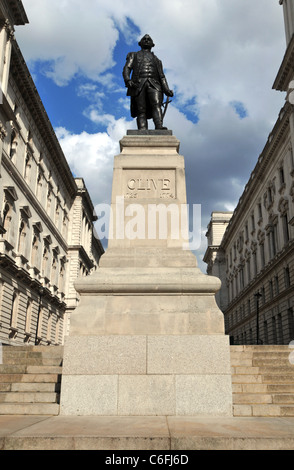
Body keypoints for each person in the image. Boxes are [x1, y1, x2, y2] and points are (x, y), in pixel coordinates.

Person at [123, 34, 174, 130]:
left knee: (156, 104)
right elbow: (127, 68)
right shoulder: (133, 55)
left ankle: (159, 126)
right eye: (144, 39)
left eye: (149, 39)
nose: (146, 40)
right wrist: (127, 80)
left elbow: (162, 76)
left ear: (152, 44)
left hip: (154, 84)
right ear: (140, 43)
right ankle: (142, 129)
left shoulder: (157, 61)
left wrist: (166, 90)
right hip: (138, 84)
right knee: (141, 109)